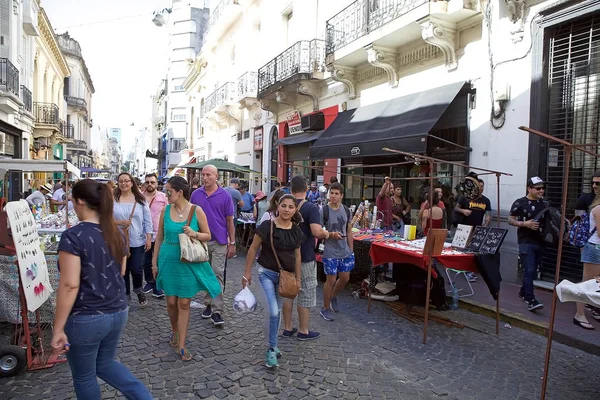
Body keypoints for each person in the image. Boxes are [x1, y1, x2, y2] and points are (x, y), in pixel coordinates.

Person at [51, 179, 152, 400]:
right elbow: (122, 271)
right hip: (117, 311)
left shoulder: (73, 236)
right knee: (104, 364)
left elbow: (69, 284)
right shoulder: (116, 233)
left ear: (80, 202)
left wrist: (58, 328)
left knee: (84, 376)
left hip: (86, 316)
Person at [153, 176, 222, 360]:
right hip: (168, 259)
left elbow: (208, 235)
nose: (166, 195)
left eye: (169, 191)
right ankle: (175, 330)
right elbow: (159, 237)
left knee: (183, 303)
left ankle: (182, 344)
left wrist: (195, 233)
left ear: (179, 192)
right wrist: (154, 261)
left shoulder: (196, 211)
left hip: (187, 261)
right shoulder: (165, 210)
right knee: (170, 302)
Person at [243, 194, 304, 368]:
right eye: (284, 206)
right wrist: (247, 272)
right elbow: (253, 248)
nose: (287, 210)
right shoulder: (267, 226)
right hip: (266, 273)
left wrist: (298, 279)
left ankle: (274, 344)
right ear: (277, 206)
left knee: (275, 311)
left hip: (286, 278)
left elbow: (298, 256)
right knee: (273, 311)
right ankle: (270, 349)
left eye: (291, 207)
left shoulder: (296, 230)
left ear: (294, 209)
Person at [282, 176, 331, 340]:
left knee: (288, 292)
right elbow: (317, 232)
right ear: (307, 190)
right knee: (305, 291)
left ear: (291, 190)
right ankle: (303, 330)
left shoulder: (284, 206)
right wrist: (328, 233)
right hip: (305, 256)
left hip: (286, 256)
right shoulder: (310, 208)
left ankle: (287, 328)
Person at [189, 165, 236, 325]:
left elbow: (230, 221)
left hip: (219, 242)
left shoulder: (225, 196)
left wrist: (233, 242)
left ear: (216, 176)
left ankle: (217, 310)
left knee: (216, 274)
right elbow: (190, 216)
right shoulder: (196, 194)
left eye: (208, 174)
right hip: (200, 241)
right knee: (204, 275)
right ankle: (208, 303)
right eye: (203, 174)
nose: (205, 177)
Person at [114, 172, 153, 306]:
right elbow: (105, 219)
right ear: (118, 184)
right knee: (123, 269)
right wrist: (119, 223)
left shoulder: (140, 200)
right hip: (119, 240)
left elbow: (148, 220)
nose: (124, 184)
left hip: (137, 240)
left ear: (131, 183)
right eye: (121, 181)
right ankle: (126, 295)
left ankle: (138, 289)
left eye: (126, 181)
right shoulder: (113, 199)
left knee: (136, 268)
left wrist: (149, 237)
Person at [509, 177, 546, 312]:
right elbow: (510, 219)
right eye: (538, 188)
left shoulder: (545, 203)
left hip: (541, 241)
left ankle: (523, 292)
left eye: (542, 188)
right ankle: (530, 300)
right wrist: (524, 224)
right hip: (526, 241)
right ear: (529, 189)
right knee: (529, 270)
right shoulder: (520, 203)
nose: (541, 190)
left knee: (533, 271)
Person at [319, 182, 354, 322]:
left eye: (336, 193)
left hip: (344, 251)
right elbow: (318, 230)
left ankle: (333, 296)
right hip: (329, 250)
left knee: (345, 278)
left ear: (341, 196)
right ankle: (325, 308)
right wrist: (330, 234)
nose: (333, 196)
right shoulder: (324, 211)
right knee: (331, 279)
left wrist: (351, 249)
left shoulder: (346, 210)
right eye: (331, 193)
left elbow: (349, 230)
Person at [573, 172, 600, 329]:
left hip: (595, 248)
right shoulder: (598, 208)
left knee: (594, 282)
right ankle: (579, 314)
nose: (594, 186)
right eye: (594, 183)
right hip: (594, 248)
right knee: (587, 283)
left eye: (598, 183)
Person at [454, 178, 492, 282]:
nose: (481, 188)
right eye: (479, 186)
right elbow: (456, 208)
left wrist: (484, 226)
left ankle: (469, 271)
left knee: (473, 251)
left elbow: (488, 215)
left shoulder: (486, 200)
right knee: (462, 250)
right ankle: (460, 270)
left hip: (477, 228)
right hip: (464, 227)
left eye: (483, 186)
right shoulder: (465, 197)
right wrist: (463, 211)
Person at [142, 173, 168, 298]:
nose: (150, 184)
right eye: (147, 182)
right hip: (144, 235)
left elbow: (168, 213)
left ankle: (158, 285)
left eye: (152, 182)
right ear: (144, 184)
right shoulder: (139, 197)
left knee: (158, 260)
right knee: (145, 261)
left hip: (159, 234)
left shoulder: (163, 197)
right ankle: (149, 282)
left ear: (157, 184)